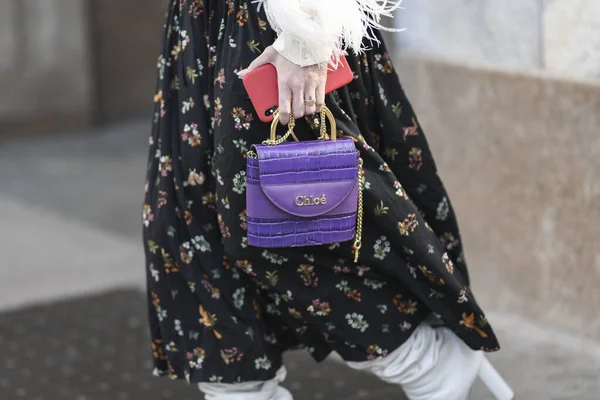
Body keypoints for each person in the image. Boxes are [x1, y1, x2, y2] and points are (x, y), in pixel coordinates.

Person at [142, 1, 514, 399]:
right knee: (194, 226)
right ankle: (240, 390)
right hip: (202, 25)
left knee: (288, 226)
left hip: (278, 30)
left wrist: (307, 38)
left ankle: (427, 361)